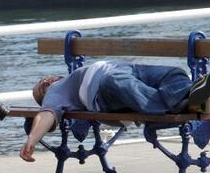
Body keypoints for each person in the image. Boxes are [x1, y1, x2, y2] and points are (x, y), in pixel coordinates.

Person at [20, 61, 210, 162]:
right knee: (117, 81)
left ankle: (196, 96)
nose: (45, 82)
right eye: (41, 89)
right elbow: (47, 114)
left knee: (174, 73)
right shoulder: (55, 91)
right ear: (47, 85)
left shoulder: (70, 77)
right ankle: (191, 102)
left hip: (131, 70)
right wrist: (32, 139)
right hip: (106, 86)